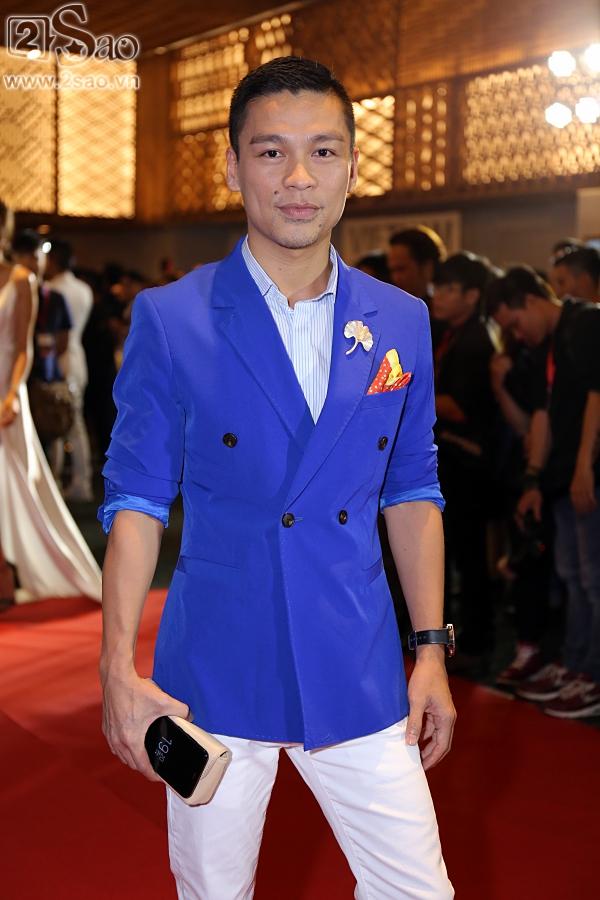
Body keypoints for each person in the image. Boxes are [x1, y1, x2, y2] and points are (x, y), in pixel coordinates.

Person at [99, 57, 455, 899]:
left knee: (418, 890)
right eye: (271, 152)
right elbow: (137, 499)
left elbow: (412, 490)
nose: (299, 178)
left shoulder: (401, 320)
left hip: (356, 658)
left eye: (323, 152)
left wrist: (431, 650)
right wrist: (116, 666)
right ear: (232, 166)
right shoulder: (172, 317)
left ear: (352, 169)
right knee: (214, 891)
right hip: (214, 670)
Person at [487, 266, 600, 718]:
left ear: (531, 301)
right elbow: (543, 415)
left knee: (592, 578)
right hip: (561, 478)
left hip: (586, 475)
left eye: (516, 323)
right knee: (573, 576)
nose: (518, 335)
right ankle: (575, 662)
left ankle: (591, 673)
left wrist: (585, 466)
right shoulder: (548, 346)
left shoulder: (586, 322)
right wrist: (533, 479)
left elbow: (597, 396)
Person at [0, 202, 101, 603]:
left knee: (15, 483)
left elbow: (23, 347)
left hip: (8, 391)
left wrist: (11, 394)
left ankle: (13, 569)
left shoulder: (21, 280)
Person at [431, 252, 499, 665]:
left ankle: (477, 644)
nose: (438, 296)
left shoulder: (475, 339)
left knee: (470, 557)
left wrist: (410, 391)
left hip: (471, 463)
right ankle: (467, 641)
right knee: (459, 553)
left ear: (472, 295)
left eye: (449, 289)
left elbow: (460, 407)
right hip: (457, 460)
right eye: (438, 287)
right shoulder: (454, 333)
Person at [44, 238, 94, 501]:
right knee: (75, 423)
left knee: (55, 421)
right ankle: (81, 481)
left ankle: (57, 480)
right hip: (78, 357)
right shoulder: (84, 289)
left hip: (59, 359)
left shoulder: (51, 289)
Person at [388, 226, 447, 349]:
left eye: (401, 269)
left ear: (427, 268)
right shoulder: (391, 312)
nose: (395, 278)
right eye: (392, 270)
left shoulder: (443, 315)